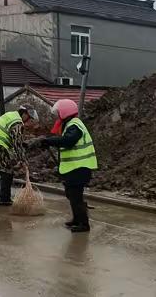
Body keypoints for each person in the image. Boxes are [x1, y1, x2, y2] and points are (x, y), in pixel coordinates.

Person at [41, 99, 98, 233]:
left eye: (58, 113)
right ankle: (77, 219)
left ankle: (83, 224)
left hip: (79, 167)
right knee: (72, 195)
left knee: (76, 196)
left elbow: (68, 141)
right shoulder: (71, 124)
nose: (57, 116)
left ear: (65, 112)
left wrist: (49, 141)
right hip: (75, 168)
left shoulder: (74, 125)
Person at [0, 105, 39, 205]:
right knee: (7, 171)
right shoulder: (17, 123)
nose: (29, 122)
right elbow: (17, 143)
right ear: (25, 114)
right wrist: (23, 160)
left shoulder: (11, 114)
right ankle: (5, 199)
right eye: (30, 119)